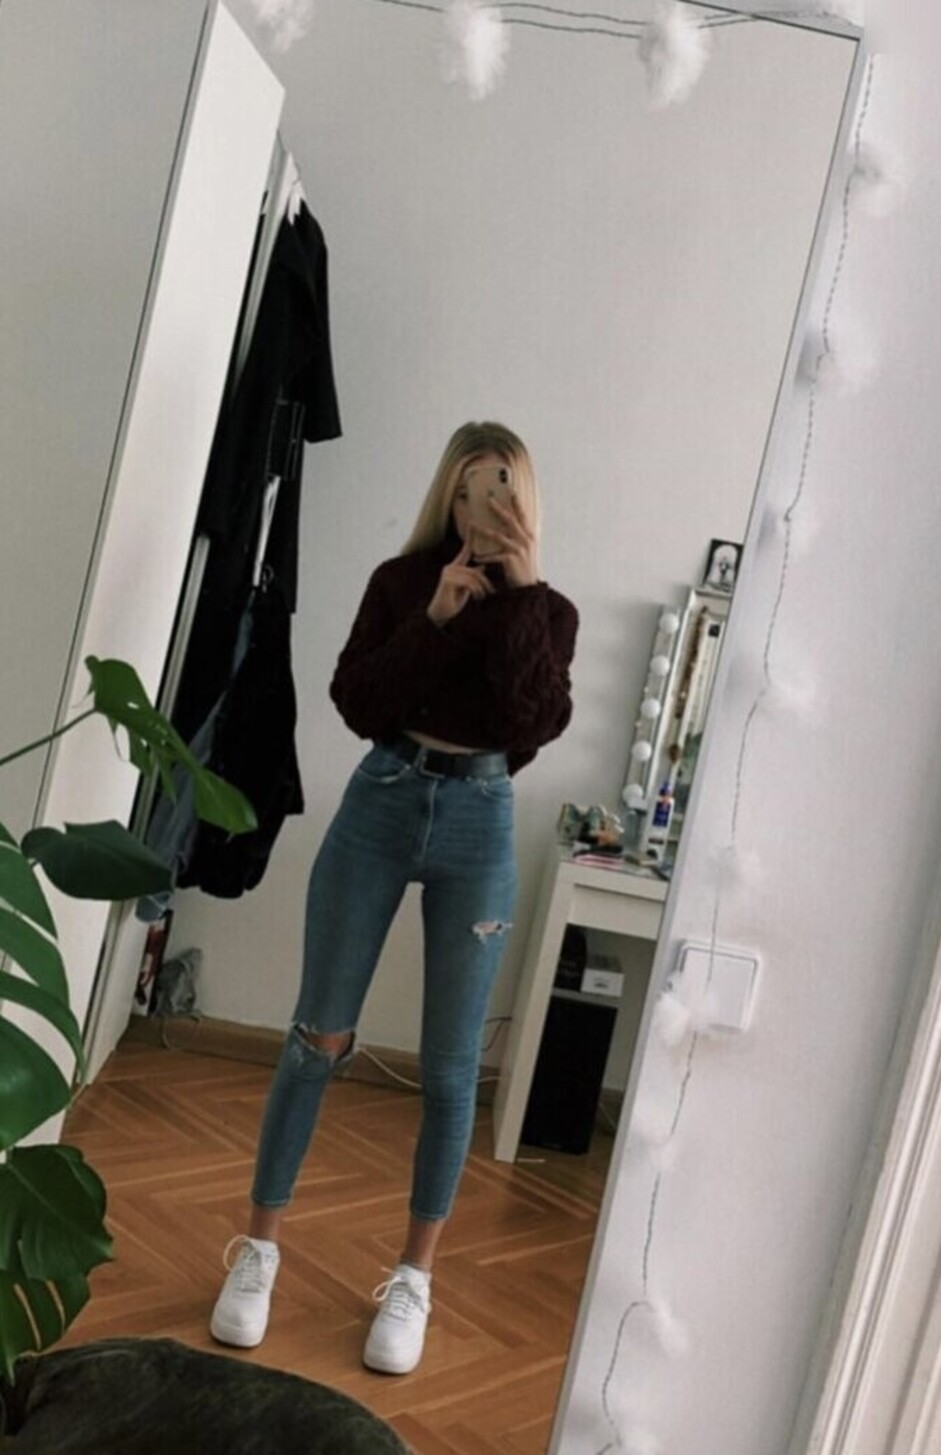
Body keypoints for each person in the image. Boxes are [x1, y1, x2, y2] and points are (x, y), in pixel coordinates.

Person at [209, 422, 578, 1375]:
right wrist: (435, 620)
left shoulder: (550, 610)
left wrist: (521, 596)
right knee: (315, 1037)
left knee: (452, 1070)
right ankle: (259, 1249)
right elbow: (357, 702)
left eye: (501, 490)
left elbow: (534, 725)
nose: (481, 509)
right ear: (447, 498)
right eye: (467, 490)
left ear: (524, 502)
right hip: (381, 799)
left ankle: (414, 1276)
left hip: (481, 820)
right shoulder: (401, 581)